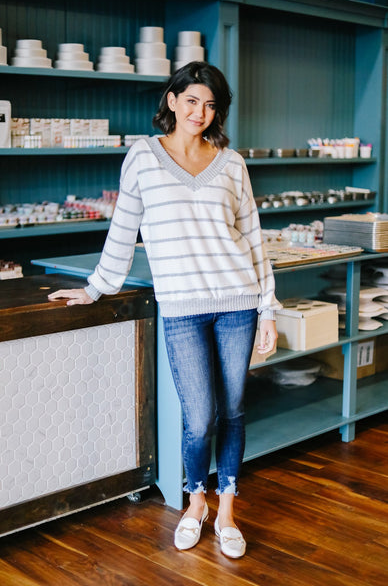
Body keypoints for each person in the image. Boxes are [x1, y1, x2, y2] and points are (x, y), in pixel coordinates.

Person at [48, 61, 281, 559]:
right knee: (200, 417)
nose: (200, 111)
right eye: (191, 100)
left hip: (239, 301)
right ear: (172, 100)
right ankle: (195, 503)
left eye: (211, 104)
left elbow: (254, 241)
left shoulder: (232, 163)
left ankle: (227, 510)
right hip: (182, 309)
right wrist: (94, 288)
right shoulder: (143, 158)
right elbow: (122, 230)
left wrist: (268, 308)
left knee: (234, 411)